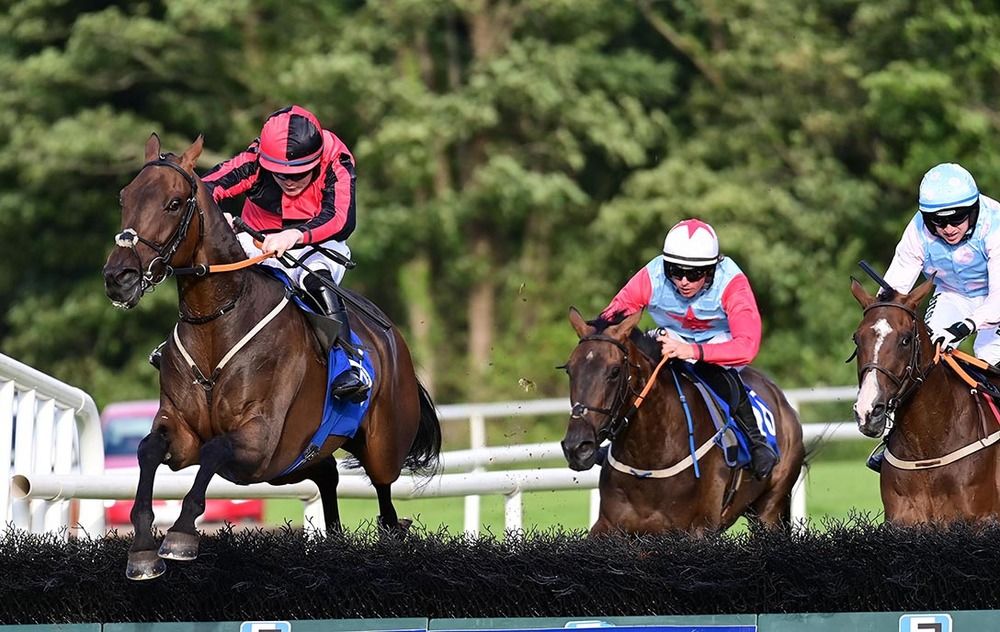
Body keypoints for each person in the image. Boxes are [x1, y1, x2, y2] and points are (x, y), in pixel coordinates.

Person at [150, 105, 369, 403]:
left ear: (317, 160)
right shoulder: (256, 160)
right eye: (279, 174)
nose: (289, 181)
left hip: (316, 242)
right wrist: (213, 213)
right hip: (257, 239)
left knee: (317, 282)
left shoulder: (337, 159)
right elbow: (207, 186)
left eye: (300, 173)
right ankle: (178, 345)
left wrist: (295, 235)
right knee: (209, 273)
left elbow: (341, 218)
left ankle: (348, 364)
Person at [598, 218, 778, 479]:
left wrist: (693, 352)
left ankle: (756, 441)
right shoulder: (653, 274)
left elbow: (747, 347)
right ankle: (612, 438)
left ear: (712, 270)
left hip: (719, 341)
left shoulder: (732, 283)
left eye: (693, 274)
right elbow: (611, 316)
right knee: (633, 361)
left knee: (714, 371)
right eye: (675, 270)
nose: (683, 281)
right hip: (670, 336)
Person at [867, 162, 1000, 471]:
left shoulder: (995, 224)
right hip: (953, 295)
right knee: (922, 354)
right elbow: (896, 285)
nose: (948, 229)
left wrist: (966, 326)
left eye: (956, 219)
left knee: (986, 353)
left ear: (974, 209)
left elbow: (996, 299)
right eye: (937, 222)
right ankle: (895, 437)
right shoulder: (917, 230)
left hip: (996, 298)